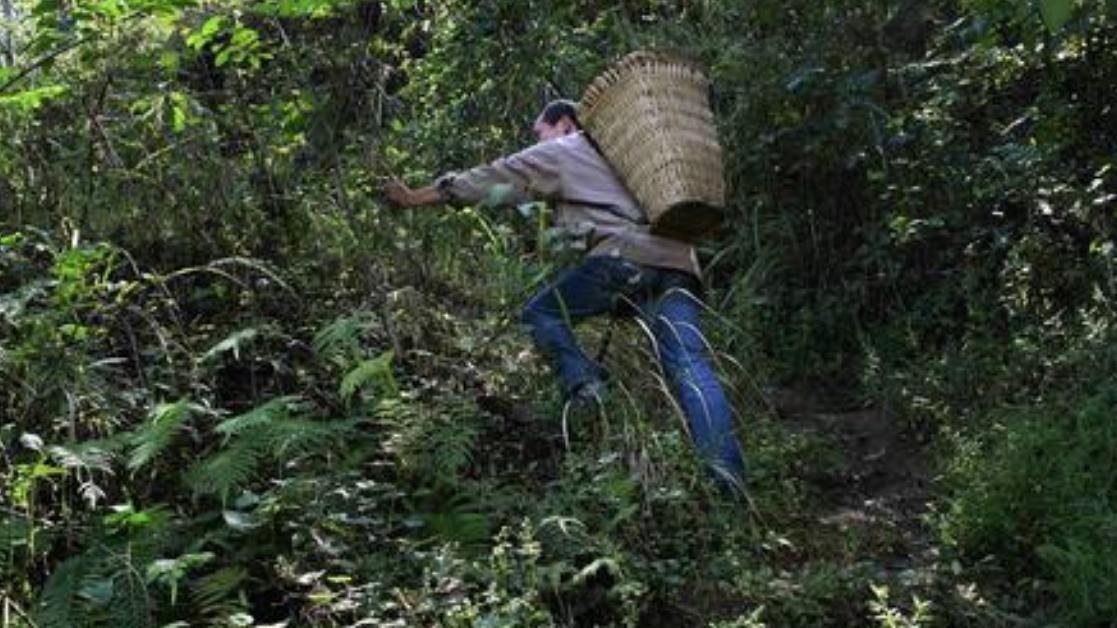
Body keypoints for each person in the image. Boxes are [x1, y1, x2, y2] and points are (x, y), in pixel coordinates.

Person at [384, 99, 745, 490]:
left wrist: (415, 197)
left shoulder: (567, 149)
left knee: (542, 314)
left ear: (566, 124)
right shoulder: (634, 156)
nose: (538, 141)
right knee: (690, 367)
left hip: (623, 260)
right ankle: (729, 481)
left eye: (541, 133)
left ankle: (589, 390)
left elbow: (496, 177)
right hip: (678, 263)